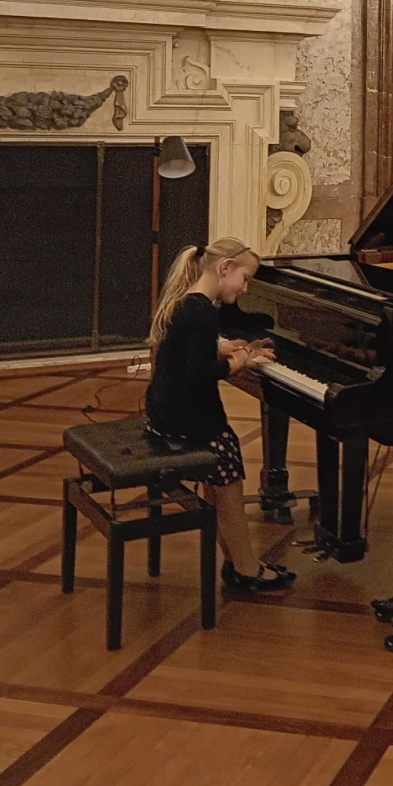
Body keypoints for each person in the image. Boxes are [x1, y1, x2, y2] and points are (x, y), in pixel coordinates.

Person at [146, 237, 296, 592]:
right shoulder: (202, 311)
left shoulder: (189, 302)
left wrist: (222, 347)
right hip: (185, 418)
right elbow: (201, 372)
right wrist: (240, 360)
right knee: (227, 462)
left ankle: (234, 560)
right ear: (225, 268)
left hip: (165, 412)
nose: (245, 288)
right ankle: (246, 569)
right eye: (244, 279)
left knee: (219, 470)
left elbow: (187, 351)